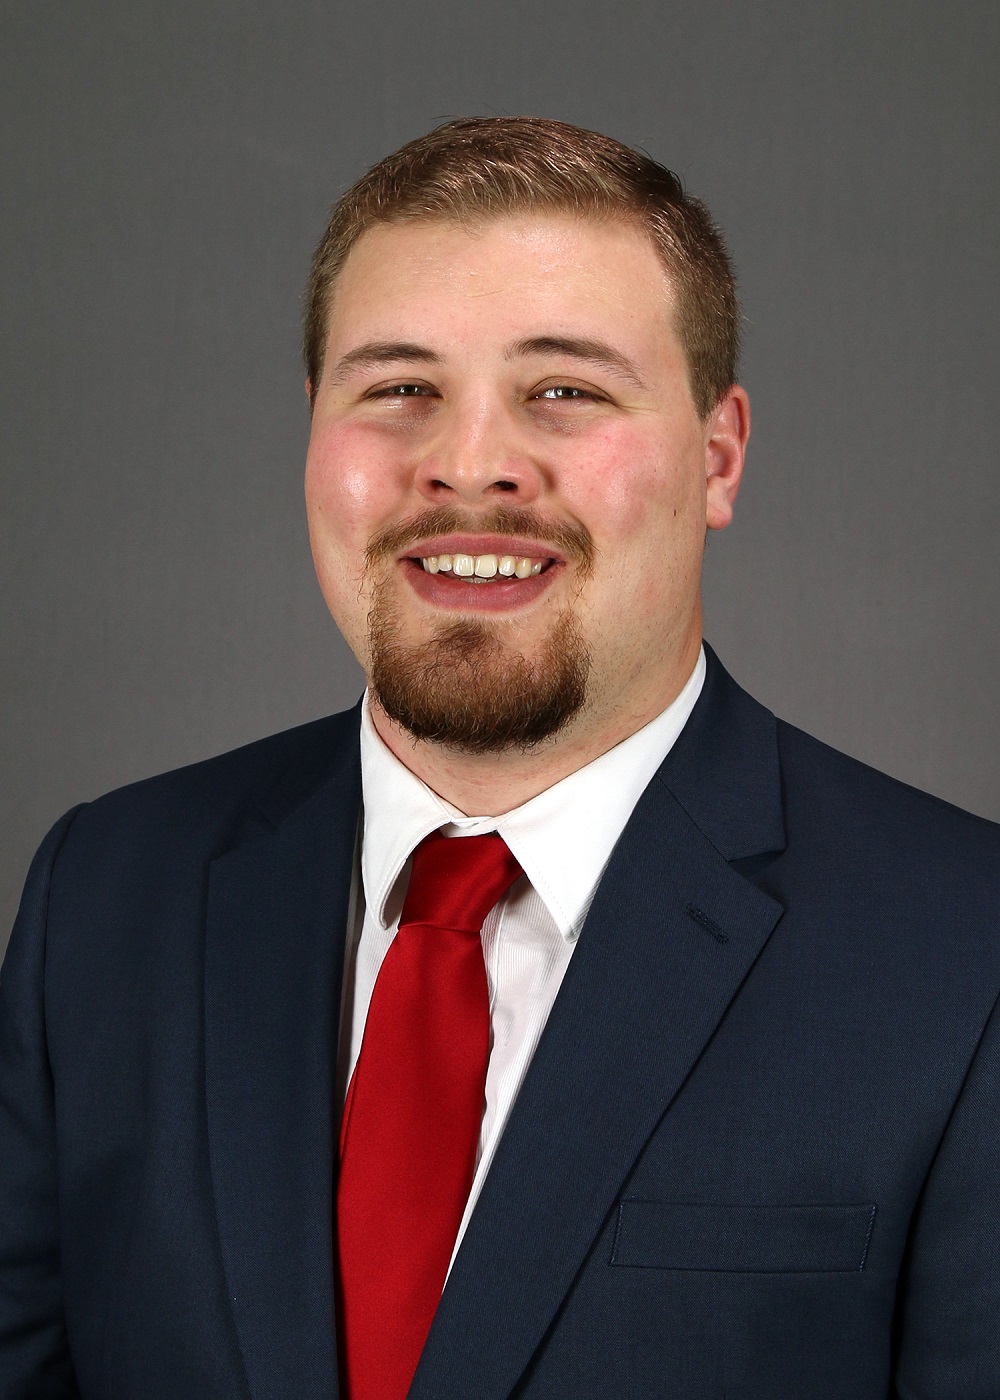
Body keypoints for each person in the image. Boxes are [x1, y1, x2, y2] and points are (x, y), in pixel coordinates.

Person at [1, 116, 998, 1400]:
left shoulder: (964, 951)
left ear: (717, 455)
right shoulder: (104, 894)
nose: (468, 465)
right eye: (398, 388)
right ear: (314, 431)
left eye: (564, 390)